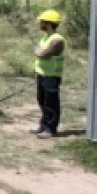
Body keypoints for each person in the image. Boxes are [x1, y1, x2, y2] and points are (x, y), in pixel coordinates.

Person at [33, 10, 66, 138]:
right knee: (42, 101)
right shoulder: (46, 37)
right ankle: (44, 125)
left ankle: (50, 129)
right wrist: (39, 52)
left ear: (48, 23)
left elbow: (43, 54)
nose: (40, 23)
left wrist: (38, 52)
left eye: (42, 21)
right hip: (42, 74)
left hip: (52, 76)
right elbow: (40, 52)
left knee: (51, 103)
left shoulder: (57, 40)